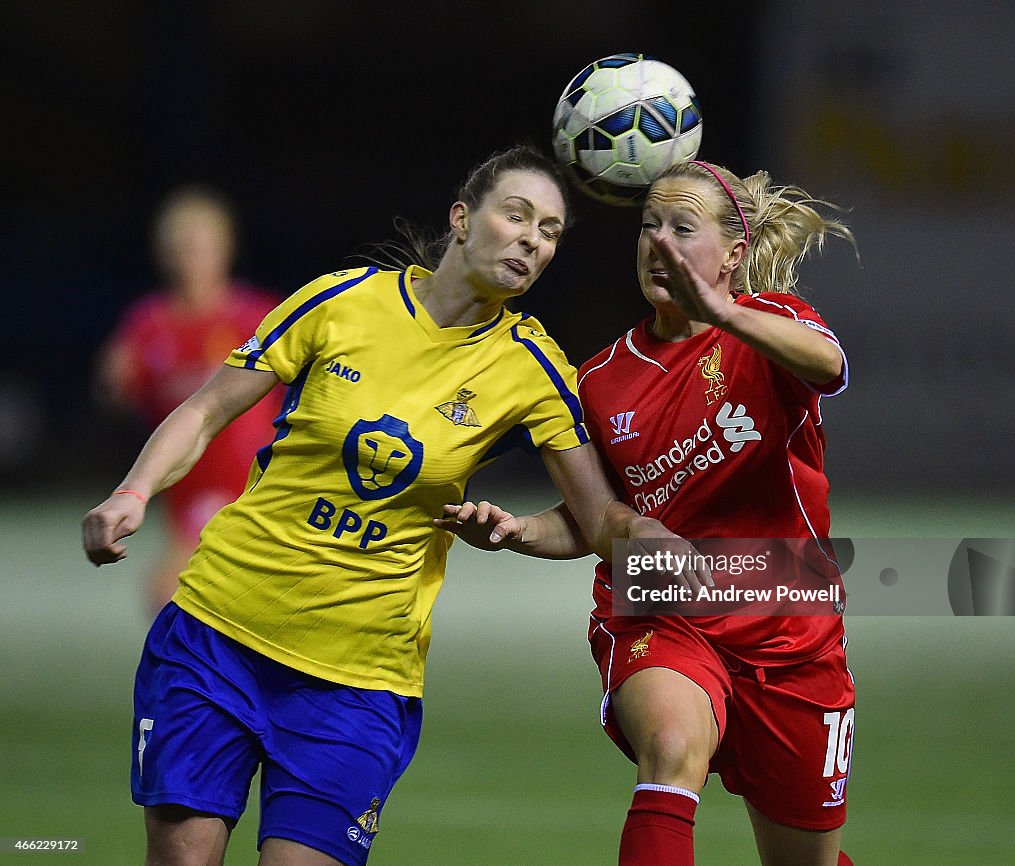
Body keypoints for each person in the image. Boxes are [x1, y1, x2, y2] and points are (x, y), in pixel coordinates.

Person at [81, 144, 701, 866]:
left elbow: (597, 518)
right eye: (518, 215)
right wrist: (133, 492)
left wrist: (644, 536)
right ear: (462, 219)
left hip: (358, 682)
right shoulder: (343, 299)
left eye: (553, 231)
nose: (534, 239)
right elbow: (206, 410)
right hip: (218, 631)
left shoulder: (532, 367)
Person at [438, 159, 858, 866]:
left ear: (734, 254)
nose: (658, 243)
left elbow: (829, 367)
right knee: (670, 746)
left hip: (789, 621)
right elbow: (595, 518)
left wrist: (728, 315)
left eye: (682, 228)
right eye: (648, 225)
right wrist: (520, 532)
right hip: (660, 604)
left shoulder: (774, 325)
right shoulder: (598, 380)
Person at [94, 185, 282, 614]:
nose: (189, 259)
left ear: (225, 249)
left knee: (175, 598)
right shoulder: (148, 324)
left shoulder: (255, 315)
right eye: (179, 248)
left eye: (200, 247)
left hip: (253, 487)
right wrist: (112, 385)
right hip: (185, 491)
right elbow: (117, 393)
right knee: (179, 603)